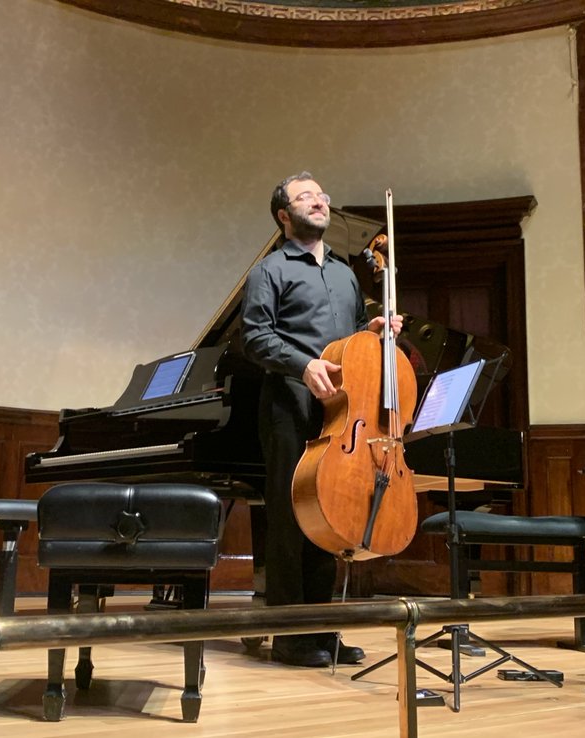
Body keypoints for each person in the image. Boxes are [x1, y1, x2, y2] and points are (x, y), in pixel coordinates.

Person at [240, 172, 401, 667]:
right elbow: (253, 336)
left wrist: (371, 329)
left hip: (340, 410)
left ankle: (323, 631)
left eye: (322, 195)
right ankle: (289, 636)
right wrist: (303, 365)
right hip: (290, 403)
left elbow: (348, 338)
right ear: (285, 216)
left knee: (329, 515)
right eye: (305, 197)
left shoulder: (345, 274)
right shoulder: (269, 270)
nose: (319, 201)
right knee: (291, 519)